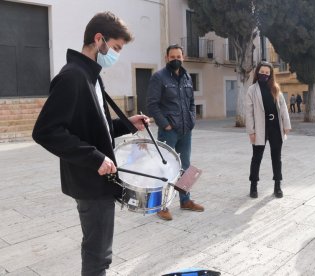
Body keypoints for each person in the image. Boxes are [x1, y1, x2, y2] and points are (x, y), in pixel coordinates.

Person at [32, 12, 149, 275]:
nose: (117, 54)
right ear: (99, 40)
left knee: (98, 251)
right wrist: (95, 157)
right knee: (98, 256)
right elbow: (45, 131)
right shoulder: (73, 76)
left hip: (98, 179)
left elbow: (96, 129)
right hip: (90, 181)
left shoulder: (92, 76)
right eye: (116, 48)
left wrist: (128, 123)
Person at [147, 44, 204, 221]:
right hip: (168, 132)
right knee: (164, 168)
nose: (176, 59)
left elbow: (192, 102)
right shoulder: (158, 77)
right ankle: (160, 206)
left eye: (178, 56)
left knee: (185, 166)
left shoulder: (187, 77)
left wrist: (192, 119)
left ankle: (185, 201)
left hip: (186, 131)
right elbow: (152, 104)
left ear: (183, 57)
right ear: (166, 58)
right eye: (172, 57)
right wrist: (166, 125)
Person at [245, 61, 291, 199]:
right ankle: (253, 185)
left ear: (270, 74)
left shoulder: (275, 88)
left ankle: (277, 185)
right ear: (257, 72)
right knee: (257, 157)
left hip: (275, 127)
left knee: (277, 158)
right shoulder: (252, 90)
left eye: (267, 73)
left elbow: (283, 108)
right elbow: (249, 112)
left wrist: (286, 126)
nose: (264, 75)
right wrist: (251, 131)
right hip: (260, 127)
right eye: (262, 72)